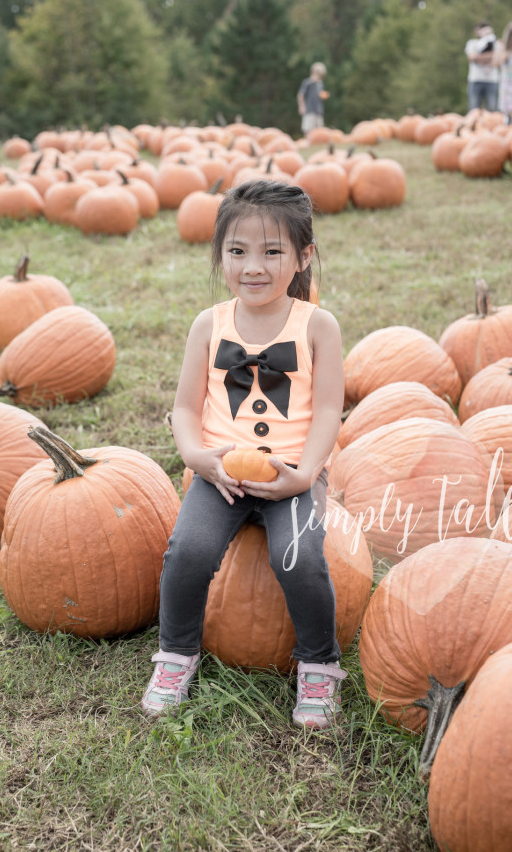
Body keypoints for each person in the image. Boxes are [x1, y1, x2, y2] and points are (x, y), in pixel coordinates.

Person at [141, 180, 346, 730]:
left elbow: (329, 410)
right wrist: (198, 458)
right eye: (238, 252)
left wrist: (305, 476)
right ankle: (176, 653)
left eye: (272, 252)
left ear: (303, 257)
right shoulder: (209, 325)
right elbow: (184, 409)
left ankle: (319, 661)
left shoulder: (318, 327)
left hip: (291, 473)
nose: (253, 266)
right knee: (187, 551)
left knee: (299, 559)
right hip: (220, 473)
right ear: (220, 255)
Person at [465, 21, 499, 112]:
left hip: (492, 80)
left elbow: (497, 58)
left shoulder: (497, 44)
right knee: (474, 109)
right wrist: (489, 56)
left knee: (492, 109)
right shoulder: (472, 43)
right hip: (475, 80)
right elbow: (472, 57)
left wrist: (479, 58)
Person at [297, 63, 329, 134]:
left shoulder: (320, 83)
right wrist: (301, 106)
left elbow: (319, 95)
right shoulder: (307, 82)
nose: (319, 77)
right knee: (308, 129)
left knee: (319, 130)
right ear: (313, 73)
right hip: (309, 110)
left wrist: (323, 96)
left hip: (318, 110)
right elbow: (300, 95)